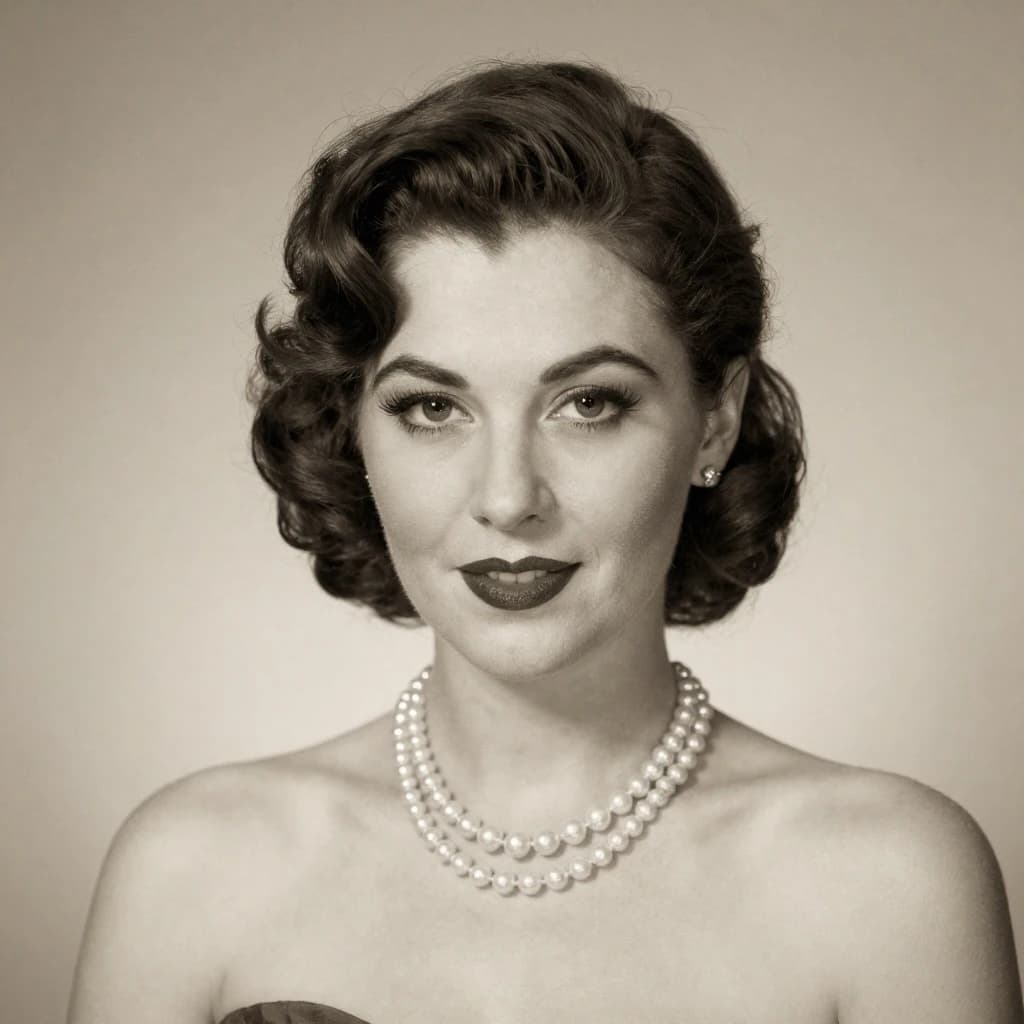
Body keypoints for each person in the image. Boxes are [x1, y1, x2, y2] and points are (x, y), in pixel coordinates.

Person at [67, 60, 1022, 1024]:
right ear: (351, 427)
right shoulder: (190, 870)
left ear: (716, 423)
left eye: (589, 403)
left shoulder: (894, 888)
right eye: (433, 407)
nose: (509, 496)